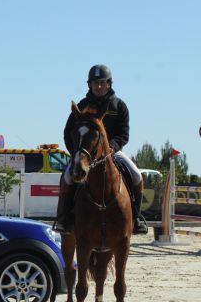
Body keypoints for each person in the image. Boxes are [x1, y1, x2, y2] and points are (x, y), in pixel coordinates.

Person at [54, 64, 148, 235]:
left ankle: (137, 218)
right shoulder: (82, 105)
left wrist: (112, 147)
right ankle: (64, 219)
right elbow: (68, 132)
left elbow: (123, 134)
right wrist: (76, 154)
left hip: (112, 152)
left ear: (109, 84)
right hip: (85, 155)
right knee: (67, 177)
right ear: (89, 85)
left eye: (102, 83)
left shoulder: (119, 106)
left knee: (136, 175)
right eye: (95, 83)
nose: (98, 86)